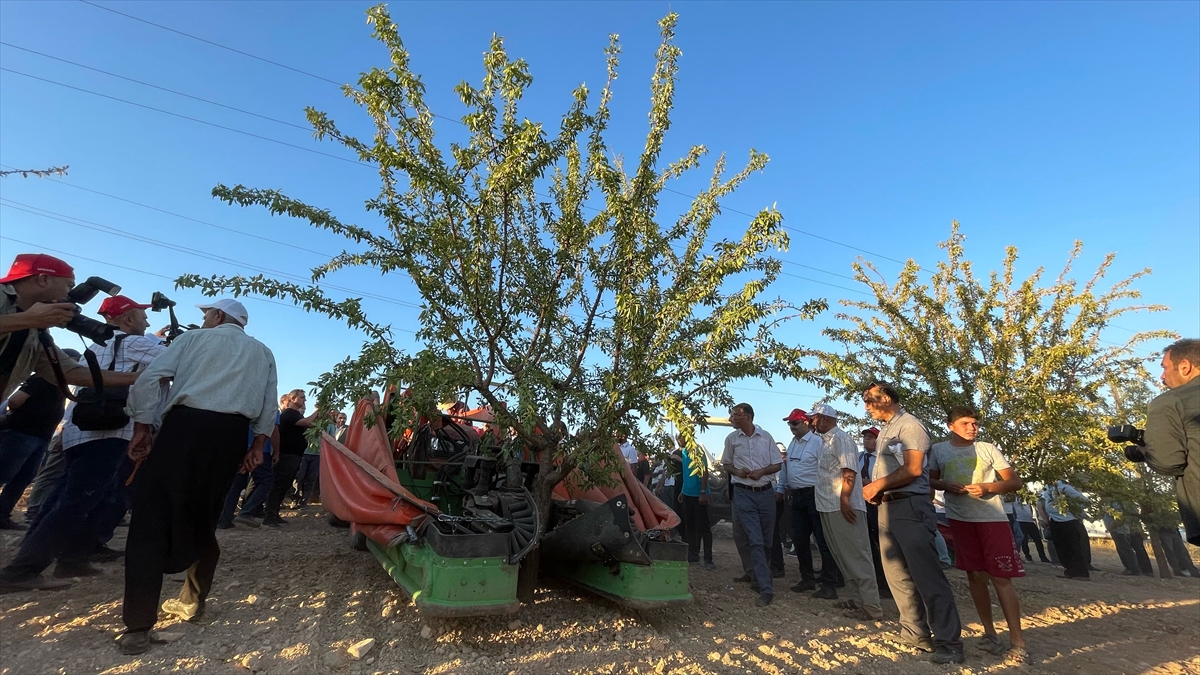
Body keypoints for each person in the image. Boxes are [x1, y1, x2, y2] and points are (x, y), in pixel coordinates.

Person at [117, 298, 277, 655]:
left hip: (183, 428)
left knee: (151, 517)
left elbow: (150, 379)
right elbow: (270, 404)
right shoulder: (263, 352)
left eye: (206, 314)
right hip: (230, 436)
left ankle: (138, 626)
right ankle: (192, 601)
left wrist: (143, 426)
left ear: (218, 316)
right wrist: (258, 445)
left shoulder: (191, 341)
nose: (203, 319)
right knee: (205, 516)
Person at [0, 296, 165, 593]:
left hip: (82, 429)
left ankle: (66, 556)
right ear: (127, 320)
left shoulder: (98, 344)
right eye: (143, 316)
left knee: (67, 495)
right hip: (109, 429)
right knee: (79, 499)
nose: (148, 321)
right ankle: (24, 569)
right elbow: (175, 360)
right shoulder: (131, 341)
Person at [861, 382, 964, 665]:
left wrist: (876, 485)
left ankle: (949, 642)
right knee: (897, 574)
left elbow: (914, 469)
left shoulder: (910, 426)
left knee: (926, 574)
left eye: (870, 400)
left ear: (887, 398)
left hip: (910, 506)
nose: (866, 406)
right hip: (888, 506)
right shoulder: (886, 430)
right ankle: (915, 632)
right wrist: (880, 491)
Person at [929, 406, 1027, 662]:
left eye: (974, 423)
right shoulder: (939, 450)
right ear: (950, 426)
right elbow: (929, 480)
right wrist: (944, 485)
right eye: (965, 423)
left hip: (992, 519)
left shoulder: (988, 448)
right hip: (959, 519)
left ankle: (1017, 641)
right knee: (975, 576)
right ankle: (989, 632)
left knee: (1001, 577)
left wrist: (988, 487)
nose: (972, 428)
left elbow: (1014, 481)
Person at [0, 253, 138, 401]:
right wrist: (29, 319)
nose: (69, 294)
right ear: (43, 279)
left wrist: (137, 377)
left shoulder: (36, 330)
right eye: (69, 285)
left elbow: (69, 372)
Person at [810, 404, 883, 620]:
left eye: (813, 418)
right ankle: (857, 599)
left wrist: (845, 499)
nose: (811, 422)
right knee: (842, 555)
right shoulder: (826, 442)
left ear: (823, 419)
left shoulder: (840, 438)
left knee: (856, 554)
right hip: (827, 505)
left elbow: (848, 470)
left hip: (842, 505)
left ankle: (872, 606)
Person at [0, 357, 75, 529]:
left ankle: (2, 515)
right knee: (4, 473)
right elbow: (15, 400)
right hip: (21, 433)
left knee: (23, 478)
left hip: (41, 437)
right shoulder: (40, 378)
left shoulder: (60, 386)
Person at [721, 403, 782, 607]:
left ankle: (757, 578)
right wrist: (738, 472)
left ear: (746, 416)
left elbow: (777, 464)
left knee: (766, 541)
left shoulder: (766, 437)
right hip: (743, 494)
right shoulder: (731, 439)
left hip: (766, 494)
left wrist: (762, 472)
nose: (732, 419)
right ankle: (766, 589)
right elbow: (726, 463)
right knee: (755, 540)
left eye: (735, 415)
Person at [1141, 338, 1200, 546]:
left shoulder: (1170, 402)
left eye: (1165, 368)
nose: (1162, 377)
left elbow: (1168, 462)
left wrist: (1145, 450)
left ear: (1185, 366)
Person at [777, 408, 840, 598]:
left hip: (815, 494)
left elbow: (828, 468)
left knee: (823, 540)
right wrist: (782, 488)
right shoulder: (793, 443)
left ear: (806, 422)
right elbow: (786, 468)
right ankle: (807, 579)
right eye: (789, 423)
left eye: (794, 423)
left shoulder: (818, 442)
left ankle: (830, 584)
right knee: (800, 539)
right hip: (796, 496)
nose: (791, 427)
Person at [263, 389, 319, 527]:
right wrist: (318, 410)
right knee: (279, 485)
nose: (304, 400)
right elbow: (306, 423)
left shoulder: (296, 415)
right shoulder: (290, 413)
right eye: (301, 397)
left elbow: (312, 424)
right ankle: (269, 516)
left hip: (294, 455)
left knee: (284, 485)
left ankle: (274, 514)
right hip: (287, 454)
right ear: (292, 399)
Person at [217, 412, 281, 529]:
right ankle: (247, 512)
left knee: (237, 483)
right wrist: (276, 451)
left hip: (239, 446)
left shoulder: (244, 404)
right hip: (260, 449)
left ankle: (224, 519)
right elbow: (273, 429)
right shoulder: (270, 407)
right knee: (266, 480)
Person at [858, 427, 892, 598]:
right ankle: (871, 580)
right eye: (865, 437)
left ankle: (885, 583)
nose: (867, 440)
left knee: (882, 543)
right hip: (861, 504)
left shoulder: (883, 459)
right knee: (866, 544)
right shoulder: (859, 457)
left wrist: (872, 484)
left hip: (878, 503)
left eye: (871, 437)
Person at [1038, 480, 1091, 580]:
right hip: (1054, 521)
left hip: (1068, 521)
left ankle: (1081, 573)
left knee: (1073, 548)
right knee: (1061, 548)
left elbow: (1084, 501)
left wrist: (1071, 507)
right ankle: (1069, 571)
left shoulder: (1065, 488)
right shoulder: (1047, 489)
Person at [678, 436, 715, 570]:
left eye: (680, 436)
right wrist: (682, 490)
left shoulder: (697, 450)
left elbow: (704, 470)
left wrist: (703, 491)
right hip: (687, 493)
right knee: (690, 525)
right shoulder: (683, 452)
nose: (678, 439)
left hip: (698, 494)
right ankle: (693, 554)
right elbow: (686, 473)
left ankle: (708, 558)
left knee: (704, 527)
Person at [1014, 497, 1052, 564]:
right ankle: (1028, 557)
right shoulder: (1013, 497)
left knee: (1037, 539)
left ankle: (1043, 557)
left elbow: (1031, 507)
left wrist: (1032, 517)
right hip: (1020, 520)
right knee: (1024, 540)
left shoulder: (1026, 496)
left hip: (1029, 520)